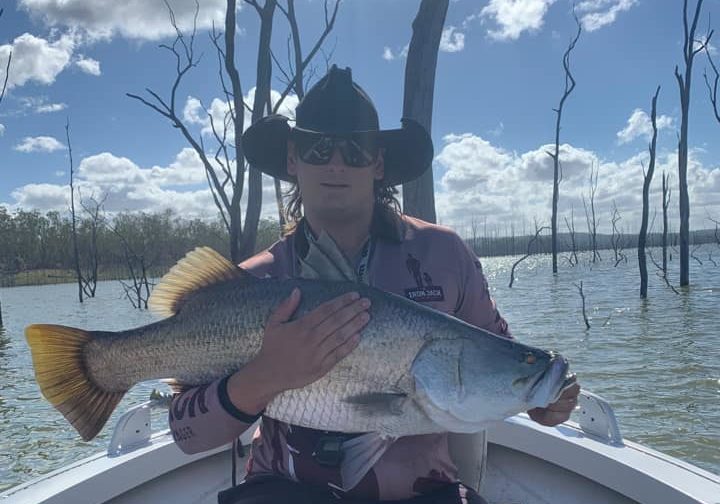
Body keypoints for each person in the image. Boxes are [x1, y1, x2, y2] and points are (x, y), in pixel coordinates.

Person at [169, 65, 580, 503]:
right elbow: (186, 433)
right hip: (283, 489)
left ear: (378, 162)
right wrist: (267, 375)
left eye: (355, 149)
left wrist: (548, 400)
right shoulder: (253, 281)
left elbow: (495, 359)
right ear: (292, 159)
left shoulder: (445, 255)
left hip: (426, 492)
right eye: (318, 147)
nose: (336, 162)